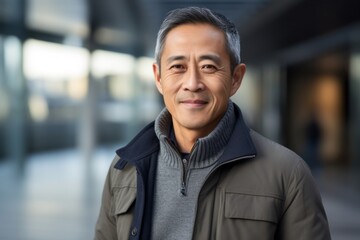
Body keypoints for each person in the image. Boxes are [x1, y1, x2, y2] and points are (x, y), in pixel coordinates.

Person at [94, 7, 331, 240]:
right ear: (158, 77)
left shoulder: (288, 174)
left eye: (208, 66)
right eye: (178, 67)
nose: (193, 83)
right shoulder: (124, 169)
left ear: (235, 78)